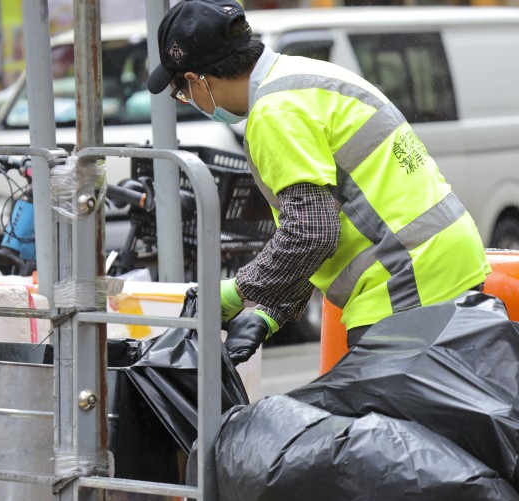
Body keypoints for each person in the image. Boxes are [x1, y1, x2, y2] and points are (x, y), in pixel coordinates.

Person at [146, 0, 490, 364]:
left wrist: (236, 290)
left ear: (198, 80)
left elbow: (312, 231)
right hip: (447, 261)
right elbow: (335, 216)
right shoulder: (300, 77)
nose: (188, 100)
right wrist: (270, 312)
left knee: (394, 416)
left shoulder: (274, 113)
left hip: (406, 283)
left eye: (181, 93)